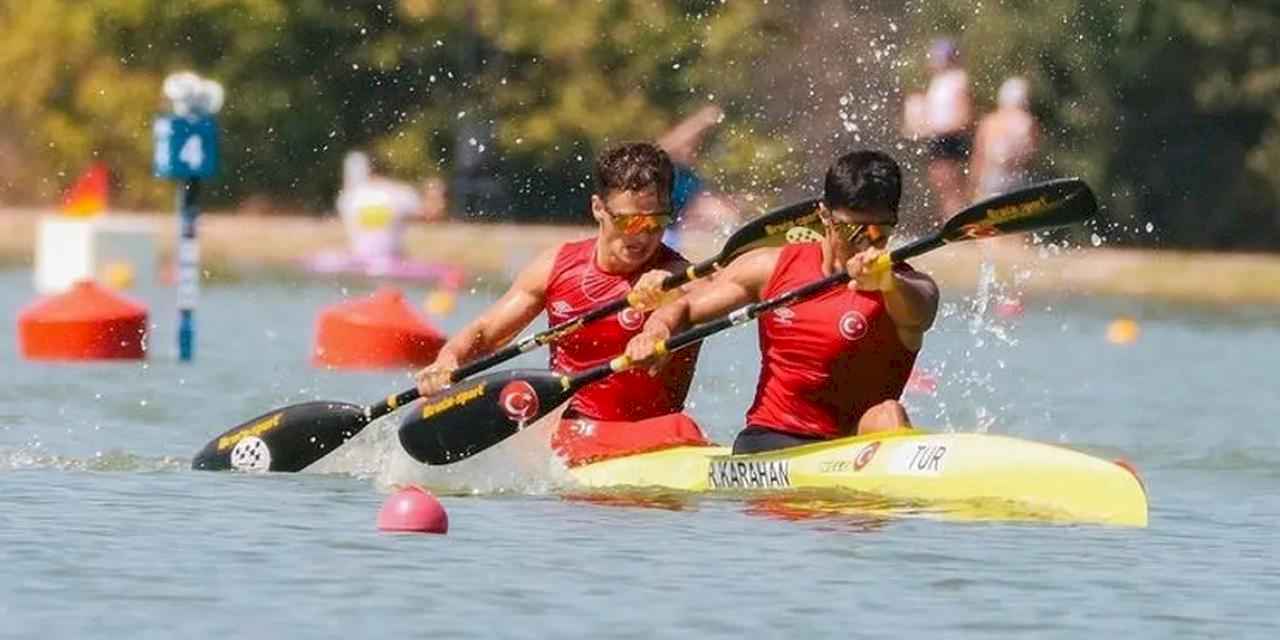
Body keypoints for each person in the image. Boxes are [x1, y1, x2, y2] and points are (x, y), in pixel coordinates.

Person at [624, 150, 939, 454]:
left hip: (854, 446)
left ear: (894, 223)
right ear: (824, 215)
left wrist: (887, 282)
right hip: (773, 441)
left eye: (877, 232)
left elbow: (919, 313)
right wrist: (653, 334)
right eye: (850, 230)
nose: (864, 243)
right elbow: (684, 307)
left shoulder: (909, 287)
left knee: (888, 414)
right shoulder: (770, 267)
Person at [414, 141, 710, 465]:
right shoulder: (556, 266)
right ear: (598, 208)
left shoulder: (678, 275)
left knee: (682, 428)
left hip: (662, 434)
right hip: (578, 436)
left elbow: (700, 298)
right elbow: (486, 333)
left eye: (656, 222)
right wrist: (448, 360)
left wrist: (656, 330)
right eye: (630, 222)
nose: (642, 236)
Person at [335, 151, 446, 263]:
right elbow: (431, 215)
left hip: (360, 261)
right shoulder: (401, 193)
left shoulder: (349, 197)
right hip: (392, 261)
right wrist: (434, 193)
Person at [656, 104, 741, 249]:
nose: (689, 150)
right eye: (686, 145)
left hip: (671, 235)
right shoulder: (662, 165)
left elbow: (704, 205)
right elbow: (666, 145)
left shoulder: (692, 179)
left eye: (693, 146)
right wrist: (701, 120)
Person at [921, 38, 974, 219]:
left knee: (953, 186)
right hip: (938, 136)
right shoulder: (937, 81)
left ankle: (959, 220)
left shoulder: (958, 79)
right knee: (942, 186)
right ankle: (950, 220)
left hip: (951, 136)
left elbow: (965, 114)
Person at [971, 77, 1040, 199]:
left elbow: (979, 157)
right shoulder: (1027, 121)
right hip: (1018, 178)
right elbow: (1032, 156)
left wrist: (974, 186)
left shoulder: (990, 121)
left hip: (992, 179)